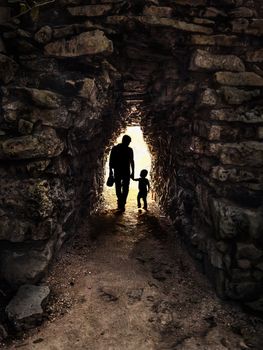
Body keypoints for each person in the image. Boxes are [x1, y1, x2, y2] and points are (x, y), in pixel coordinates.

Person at [109, 135, 134, 211]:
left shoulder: (115, 148)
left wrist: (111, 171)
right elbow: (132, 161)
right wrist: (133, 172)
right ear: (125, 141)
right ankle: (121, 202)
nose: (129, 143)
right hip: (124, 171)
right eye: (128, 142)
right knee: (124, 187)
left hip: (119, 171)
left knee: (119, 187)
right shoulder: (129, 150)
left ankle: (121, 202)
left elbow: (111, 161)